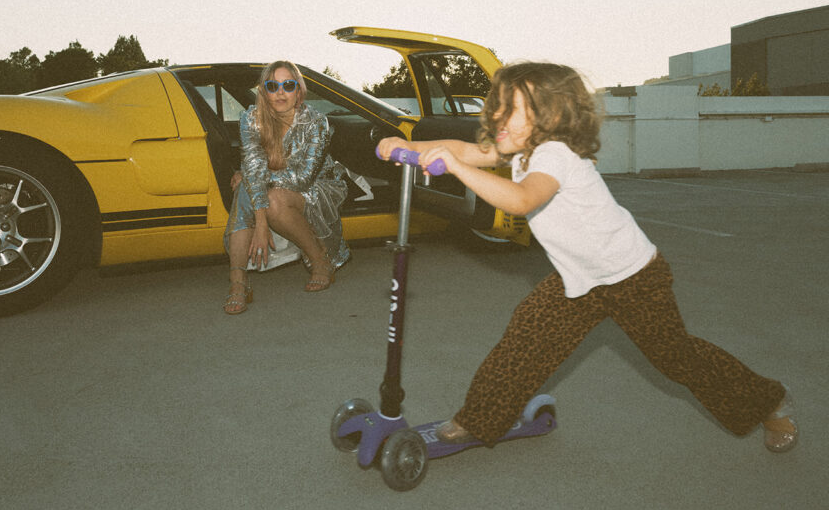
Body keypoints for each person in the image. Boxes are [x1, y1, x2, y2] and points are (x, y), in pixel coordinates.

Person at [376, 62, 798, 453]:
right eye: (497, 106)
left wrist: (456, 168)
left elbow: (522, 200)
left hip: (632, 276)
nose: (497, 117)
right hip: (577, 280)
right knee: (524, 342)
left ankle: (769, 402)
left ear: (552, 116)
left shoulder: (554, 154)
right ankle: (478, 419)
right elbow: (465, 149)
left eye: (512, 109)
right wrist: (407, 144)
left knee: (676, 358)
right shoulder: (519, 149)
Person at [223, 60, 350, 314]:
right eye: (272, 86)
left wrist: (252, 175)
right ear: (263, 91)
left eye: (288, 85)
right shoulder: (251, 119)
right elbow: (253, 163)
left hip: (319, 184)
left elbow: (303, 177)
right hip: (277, 182)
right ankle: (238, 282)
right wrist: (260, 222)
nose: (280, 92)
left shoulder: (316, 122)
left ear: (298, 90)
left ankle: (320, 261)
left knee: (268, 196)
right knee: (245, 191)